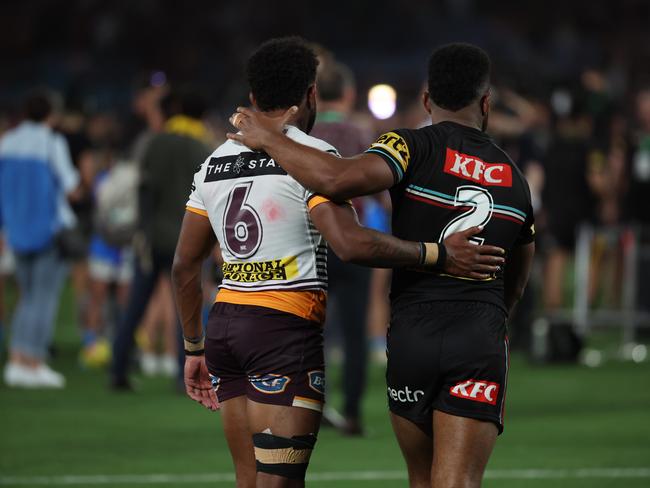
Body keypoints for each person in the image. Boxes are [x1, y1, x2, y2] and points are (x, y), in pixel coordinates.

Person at [174, 37, 506, 488]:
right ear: (311, 94)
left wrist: (194, 348)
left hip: (226, 327)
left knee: (248, 480)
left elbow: (184, 265)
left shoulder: (215, 161)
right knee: (279, 482)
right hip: (281, 330)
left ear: (253, 99)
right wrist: (438, 253)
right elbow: (350, 243)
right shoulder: (312, 159)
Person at [110, 89, 211, 389]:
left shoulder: (156, 141)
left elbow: (144, 189)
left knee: (136, 307)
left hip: (152, 238)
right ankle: (184, 378)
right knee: (188, 309)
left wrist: (142, 230)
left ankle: (118, 370)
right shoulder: (202, 148)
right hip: (187, 239)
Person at [309, 60, 375, 435]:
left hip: (312, 241)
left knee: (307, 332)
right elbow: (382, 193)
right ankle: (351, 414)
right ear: (349, 94)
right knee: (354, 334)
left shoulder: (304, 133)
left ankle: (309, 410)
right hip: (352, 241)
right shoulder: (361, 134)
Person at [0, 90, 81, 388]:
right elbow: (70, 184)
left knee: (26, 296)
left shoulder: (6, 142)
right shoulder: (51, 142)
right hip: (49, 230)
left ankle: (16, 360)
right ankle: (34, 362)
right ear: (51, 115)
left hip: (16, 231)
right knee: (42, 299)